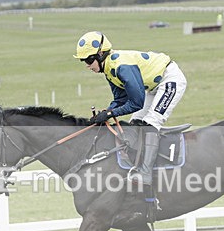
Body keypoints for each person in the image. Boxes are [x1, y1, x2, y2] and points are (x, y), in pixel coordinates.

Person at [73, 31, 187, 187]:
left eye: (89, 59)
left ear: (101, 54)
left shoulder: (122, 67)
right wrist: (104, 114)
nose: (87, 65)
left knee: (150, 123)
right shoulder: (108, 69)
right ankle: (136, 168)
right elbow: (121, 100)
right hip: (152, 88)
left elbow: (136, 103)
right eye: (83, 61)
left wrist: (110, 113)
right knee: (135, 124)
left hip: (170, 80)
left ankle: (146, 174)